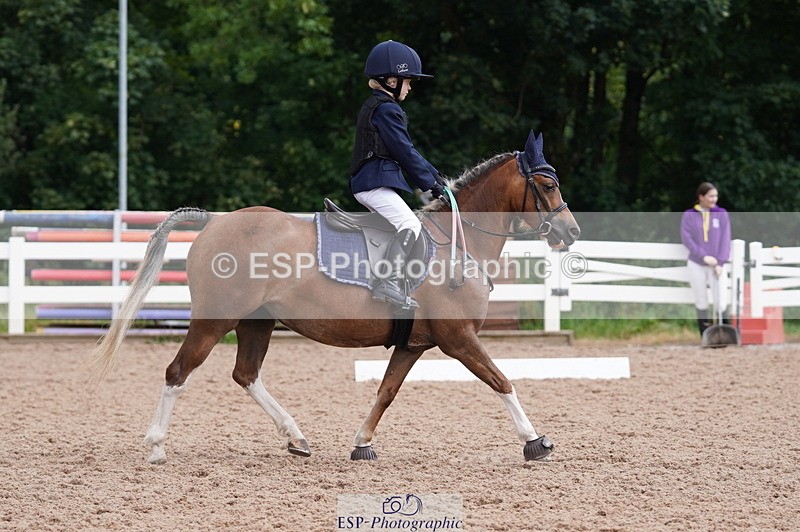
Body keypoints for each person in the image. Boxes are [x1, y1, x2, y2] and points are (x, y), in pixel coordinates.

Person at [349, 40, 447, 309]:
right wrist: (431, 186)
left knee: (407, 224)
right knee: (410, 225)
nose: (411, 86)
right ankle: (386, 283)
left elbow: (410, 151)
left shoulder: (379, 106)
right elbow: (404, 152)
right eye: (408, 80)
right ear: (392, 80)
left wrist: (437, 178)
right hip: (373, 184)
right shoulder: (386, 109)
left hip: (373, 182)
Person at [680, 182, 732, 337]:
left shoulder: (721, 213)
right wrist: (702, 256)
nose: (714, 199)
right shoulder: (690, 214)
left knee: (721, 298)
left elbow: (725, 239)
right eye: (711, 196)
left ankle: (724, 332)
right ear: (701, 197)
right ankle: (705, 333)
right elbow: (687, 238)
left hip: (717, 265)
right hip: (697, 263)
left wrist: (720, 262)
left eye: (715, 196)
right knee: (701, 297)